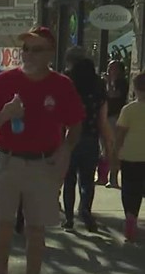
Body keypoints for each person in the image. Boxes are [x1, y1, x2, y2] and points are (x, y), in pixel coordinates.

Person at [0, 27, 84, 274]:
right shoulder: (4, 82)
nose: (28, 55)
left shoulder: (61, 85)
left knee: (35, 230)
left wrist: (65, 150)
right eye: (25, 49)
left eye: (36, 50)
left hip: (43, 164)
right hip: (9, 161)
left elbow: (76, 124)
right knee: (3, 225)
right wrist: (6, 115)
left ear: (50, 53)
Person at [62, 57, 114, 231]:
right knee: (87, 181)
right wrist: (108, 144)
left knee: (69, 180)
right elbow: (102, 121)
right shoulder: (98, 91)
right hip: (90, 139)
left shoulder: (68, 90)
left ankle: (68, 218)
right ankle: (85, 209)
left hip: (69, 139)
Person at [111, 71, 145, 242]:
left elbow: (120, 135)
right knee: (139, 190)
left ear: (136, 88)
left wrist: (115, 154)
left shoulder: (128, 110)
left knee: (128, 188)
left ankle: (129, 216)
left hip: (130, 154)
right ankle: (135, 214)